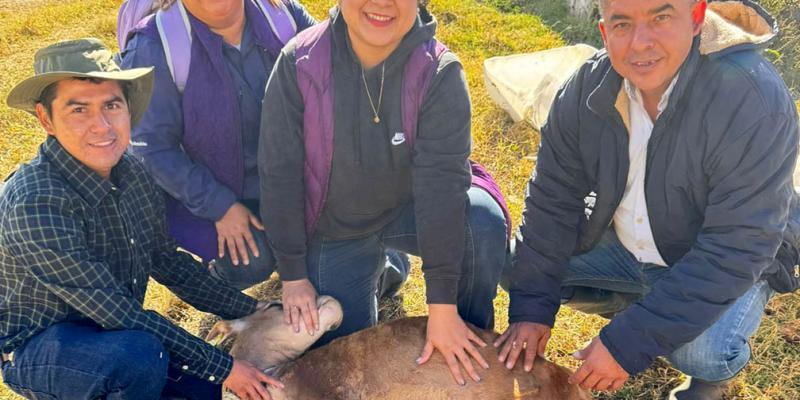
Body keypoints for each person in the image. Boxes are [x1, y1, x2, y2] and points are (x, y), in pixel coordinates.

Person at [496, 0, 799, 399]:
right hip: (626, 246)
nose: (640, 43)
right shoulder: (585, 89)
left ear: (695, 19)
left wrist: (625, 345)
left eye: (660, 17)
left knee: (702, 349)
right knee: (519, 268)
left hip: (721, 257)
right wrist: (532, 310)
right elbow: (552, 202)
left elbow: (738, 245)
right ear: (604, 33)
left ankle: (709, 377)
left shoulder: (749, 97)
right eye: (622, 24)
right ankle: (649, 311)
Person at [1, 38, 281, 400]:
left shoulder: (132, 173)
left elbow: (167, 262)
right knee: (140, 357)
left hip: (115, 335)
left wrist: (252, 310)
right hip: (42, 345)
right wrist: (226, 369)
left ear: (128, 108)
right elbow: (119, 313)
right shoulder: (35, 202)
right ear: (45, 118)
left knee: (202, 392)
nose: (102, 126)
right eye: (78, 110)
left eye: (112, 105)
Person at [259, 0, 511, 386]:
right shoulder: (298, 63)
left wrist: (442, 307)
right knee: (342, 368)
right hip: (336, 229)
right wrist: (293, 274)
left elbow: (442, 191)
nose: (381, 4)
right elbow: (279, 176)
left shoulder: (440, 71)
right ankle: (383, 270)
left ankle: (468, 338)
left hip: (409, 211)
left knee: (481, 223)